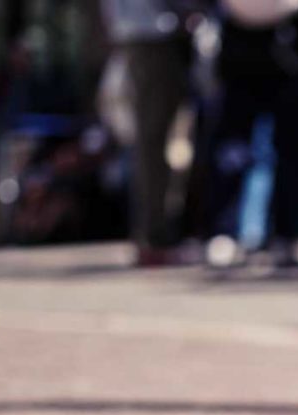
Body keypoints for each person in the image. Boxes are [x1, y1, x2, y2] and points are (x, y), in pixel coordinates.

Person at [203, 2, 298, 270]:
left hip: (290, 42)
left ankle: (287, 234)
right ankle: (226, 232)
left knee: (292, 147)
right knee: (233, 147)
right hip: (240, 42)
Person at [99, 0, 201, 266]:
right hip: (154, 36)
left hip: (141, 35)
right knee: (156, 141)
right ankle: (156, 237)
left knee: (155, 140)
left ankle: (155, 235)